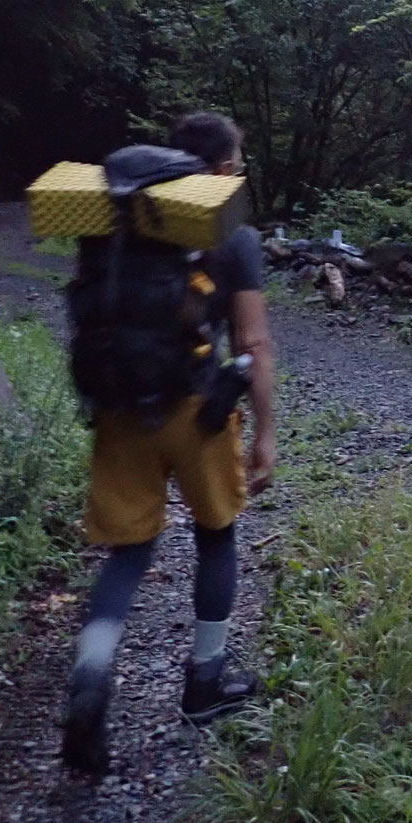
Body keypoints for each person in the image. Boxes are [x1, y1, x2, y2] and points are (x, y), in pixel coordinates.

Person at [61, 110, 277, 775]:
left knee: (128, 551)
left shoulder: (115, 223)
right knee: (217, 535)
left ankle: (90, 674)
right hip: (198, 411)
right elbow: (253, 344)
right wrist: (266, 432)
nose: (237, 178)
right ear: (216, 169)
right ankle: (206, 680)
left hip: (121, 408)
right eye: (236, 165)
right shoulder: (231, 235)